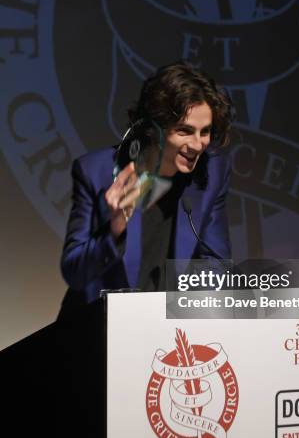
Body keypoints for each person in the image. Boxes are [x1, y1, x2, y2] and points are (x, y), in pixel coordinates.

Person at [59, 61, 233, 313]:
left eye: (204, 131)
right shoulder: (95, 172)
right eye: (185, 131)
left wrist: (185, 310)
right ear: (154, 130)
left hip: (166, 330)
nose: (197, 145)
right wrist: (115, 229)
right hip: (96, 329)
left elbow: (216, 263)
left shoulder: (212, 172)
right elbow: (75, 273)